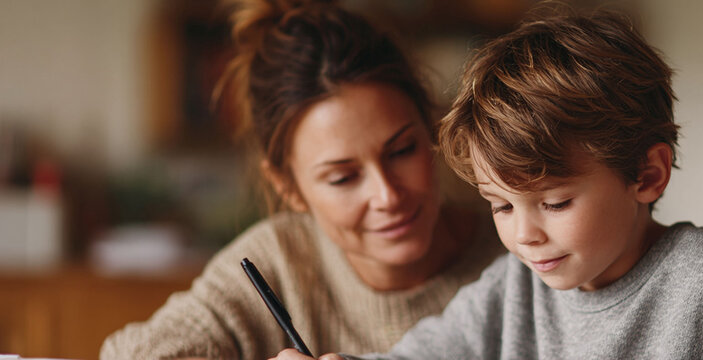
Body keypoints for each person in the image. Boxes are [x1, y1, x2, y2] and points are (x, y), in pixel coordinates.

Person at [273, 6, 703, 360]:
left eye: (554, 202)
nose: (525, 235)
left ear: (647, 174)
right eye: (501, 207)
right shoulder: (513, 289)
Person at [99, 0, 503, 358]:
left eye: (401, 151)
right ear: (287, 188)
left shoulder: (523, 249)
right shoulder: (278, 260)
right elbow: (132, 353)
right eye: (343, 178)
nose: (387, 195)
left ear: (431, 128)